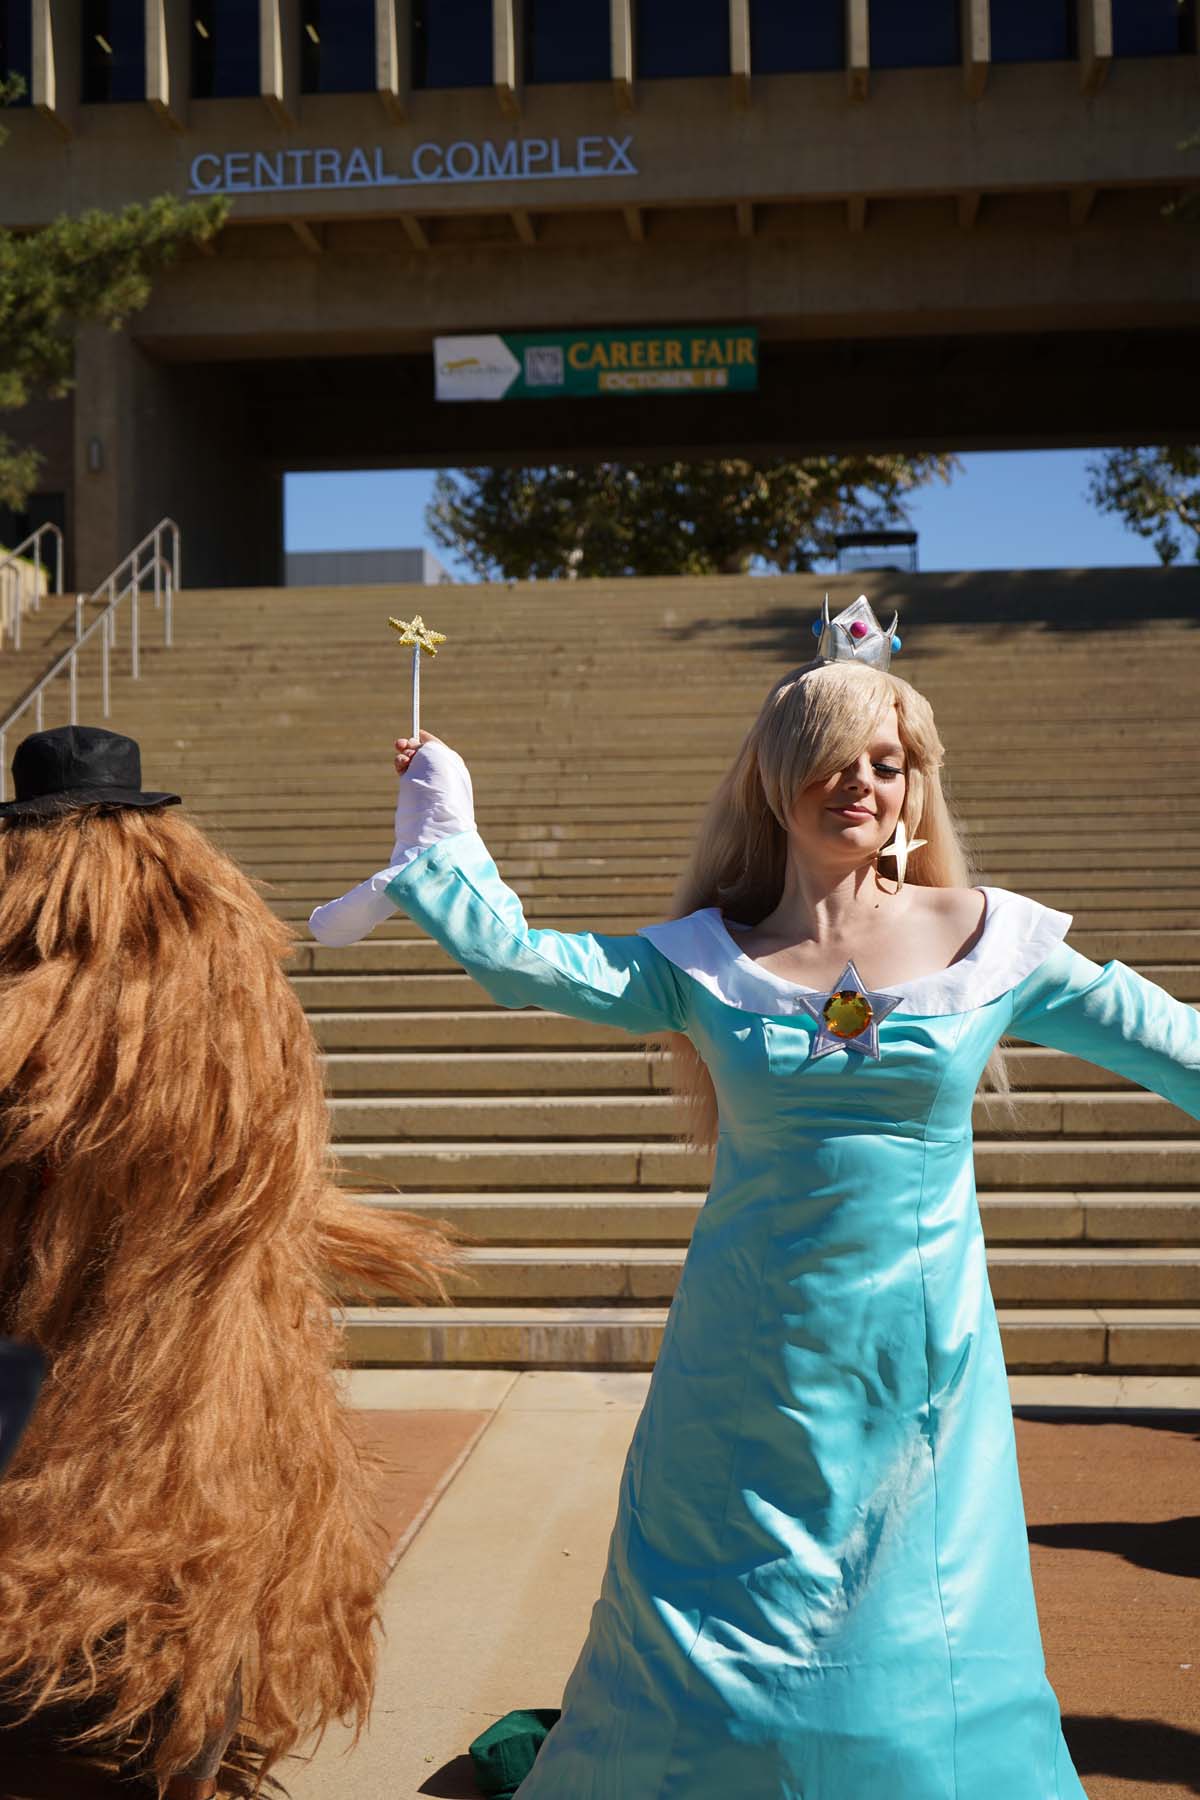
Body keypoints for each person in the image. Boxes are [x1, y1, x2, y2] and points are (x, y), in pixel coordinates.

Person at [309, 597, 1200, 1800]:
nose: (861, 785)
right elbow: (526, 966)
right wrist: (444, 831)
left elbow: (1174, 1044)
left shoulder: (993, 942)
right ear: (778, 781)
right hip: (744, 1355)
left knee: (922, 1608)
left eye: (886, 763)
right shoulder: (703, 959)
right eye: (832, 761)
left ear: (916, 784)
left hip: (918, 1358)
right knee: (719, 1598)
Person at [0, 725, 458, 1799]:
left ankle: (173, 1727)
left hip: (166, 1342)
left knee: (169, 1546)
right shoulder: (216, 944)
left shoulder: (166, 963)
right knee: (189, 1550)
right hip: (174, 1344)